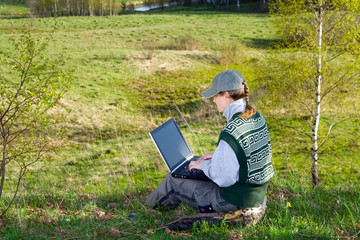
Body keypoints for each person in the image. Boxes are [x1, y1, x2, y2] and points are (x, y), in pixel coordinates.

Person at [146, 70, 274, 213]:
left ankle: (149, 214)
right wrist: (219, 157)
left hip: (234, 201)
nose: (213, 100)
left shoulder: (231, 132)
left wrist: (204, 166)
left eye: (215, 95)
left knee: (173, 180)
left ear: (226, 96)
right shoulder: (256, 117)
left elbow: (225, 179)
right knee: (199, 170)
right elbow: (248, 153)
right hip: (255, 194)